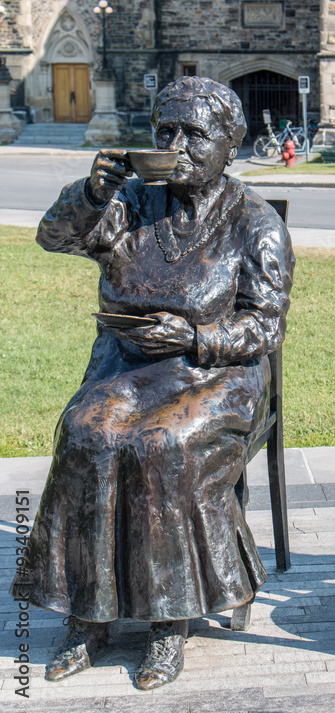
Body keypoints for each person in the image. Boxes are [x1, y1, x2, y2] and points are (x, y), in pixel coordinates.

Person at [11, 76, 294, 689]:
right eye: (166, 132)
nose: (177, 146)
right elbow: (54, 236)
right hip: (129, 368)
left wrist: (197, 339)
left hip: (214, 374)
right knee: (88, 432)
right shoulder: (134, 203)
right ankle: (88, 615)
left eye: (195, 135)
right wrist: (91, 192)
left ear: (229, 144)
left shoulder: (256, 223)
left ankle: (170, 622)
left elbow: (264, 326)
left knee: (161, 447)